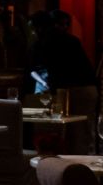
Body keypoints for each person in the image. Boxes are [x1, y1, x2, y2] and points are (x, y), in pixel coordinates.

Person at [29, 10, 98, 150]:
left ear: (39, 28)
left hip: (74, 89)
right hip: (85, 89)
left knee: (70, 135)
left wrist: (48, 89)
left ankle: (73, 167)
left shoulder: (44, 44)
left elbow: (49, 71)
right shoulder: (70, 40)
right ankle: (80, 167)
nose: (32, 33)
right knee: (81, 134)